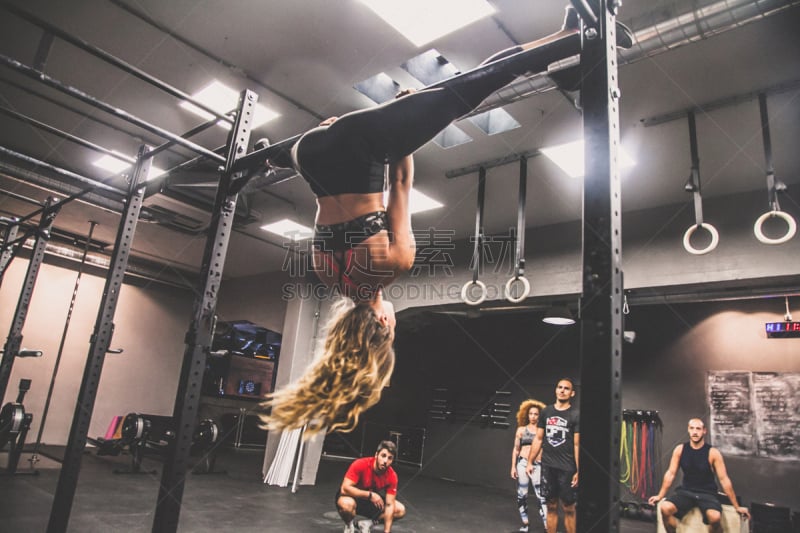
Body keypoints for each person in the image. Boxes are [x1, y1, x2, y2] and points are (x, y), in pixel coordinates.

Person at [261, 8, 631, 436]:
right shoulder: (328, 279)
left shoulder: (392, 264)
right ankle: (272, 158)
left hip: (356, 145)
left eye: (392, 331)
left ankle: (569, 37)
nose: (396, 324)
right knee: (438, 99)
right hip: (308, 153)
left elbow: (399, 179)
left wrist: (402, 128)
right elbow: (325, 206)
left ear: (383, 324)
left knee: (468, 88)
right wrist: (389, 126)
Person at [647, 418, 750, 533]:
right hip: (686, 492)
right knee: (665, 508)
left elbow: (724, 479)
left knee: (715, 518)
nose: (695, 432)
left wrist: (736, 506)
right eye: (692, 428)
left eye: (698, 429)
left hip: (707, 493)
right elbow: (671, 474)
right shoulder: (680, 450)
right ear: (688, 430)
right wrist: (660, 496)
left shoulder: (712, 453)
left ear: (704, 431)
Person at [526, 378, 580, 533]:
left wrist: (578, 469)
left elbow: (577, 444)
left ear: (572, 393)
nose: (562, 390)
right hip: (548, 466)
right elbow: (538, 438)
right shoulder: (546, 412)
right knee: (551, 506)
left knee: (568, 508)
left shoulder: (575, 415)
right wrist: (530, 461)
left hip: (567, 468)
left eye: (566, 388)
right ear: (556, 390)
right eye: (560, 387)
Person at [336, 440, 406, 533]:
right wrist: (370, 495)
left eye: (390, 458)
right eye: (383, 456)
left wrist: (386, 532)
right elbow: (344, 489)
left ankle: (366, 524)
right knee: (347, 505)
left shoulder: (392, 476)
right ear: (376, 455)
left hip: (369, 501)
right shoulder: (360, 464)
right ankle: (349, 525)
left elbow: (389, 505)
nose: (385, 461)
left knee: (399, 510)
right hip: (351, 495)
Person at [511, 399, 547, 532]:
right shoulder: (521, 430)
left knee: (542, 496)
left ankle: (548, 527)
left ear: (540, 415)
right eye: (531, 414)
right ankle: (525, 524)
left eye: (536, 414)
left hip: (538, 465)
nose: (533, 416)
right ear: (527, 415)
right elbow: (516, 449)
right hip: (522, 463)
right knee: (522, 494)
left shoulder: (542, 431)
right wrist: (513, 466)